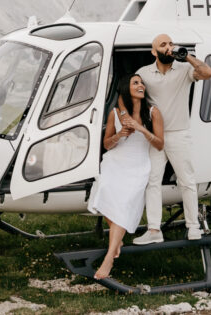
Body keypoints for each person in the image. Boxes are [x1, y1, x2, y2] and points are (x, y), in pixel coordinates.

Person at [133, 34, 211, 244]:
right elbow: (133, 96)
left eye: (170, 43)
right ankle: (153, 230)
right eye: (163, 45)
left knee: (186, 180)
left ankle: (193, 227)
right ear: (154, 52)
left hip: (179, 133)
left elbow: (207, 73)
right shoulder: (143, 73)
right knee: (152, 182)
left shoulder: (185, 70)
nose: (169, 47)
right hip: (156, 136)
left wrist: (186, 56)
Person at [87, 74, 164, 280]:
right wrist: (121, 135)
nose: (141, 85)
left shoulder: (153, 112)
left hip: (138, 165)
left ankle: (109, 258)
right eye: (135, 83)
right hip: (115, 162)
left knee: (124, 203)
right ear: (126, 89)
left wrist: (140, 129)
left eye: (141, 82)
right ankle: (116, 241)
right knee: (105, 191)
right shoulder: (115, 114)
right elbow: (106, 144)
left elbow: (159, 144)